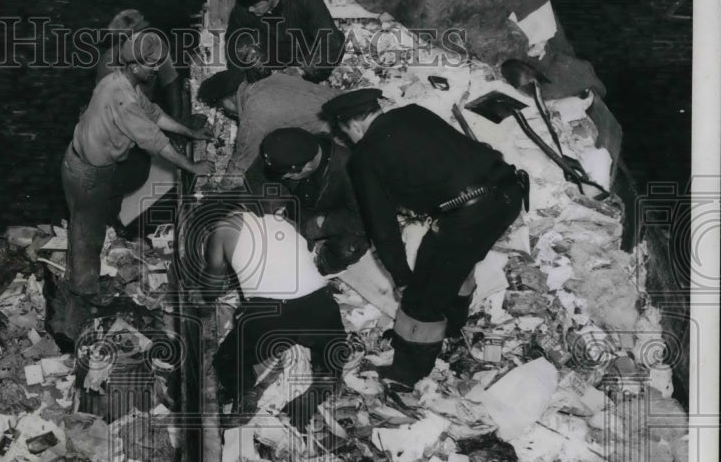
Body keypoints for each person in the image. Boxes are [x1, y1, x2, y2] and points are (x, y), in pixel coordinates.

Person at [322, 88, 529, 388]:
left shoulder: (365, 155)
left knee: (420, 299)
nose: (351, 142)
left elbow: (383, 228)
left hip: (468, 213)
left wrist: (402, 279)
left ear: (353, 126)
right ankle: (454, 325)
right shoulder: (415, 112)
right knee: (454, 261)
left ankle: (408, 373)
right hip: (508, 192)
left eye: (347, 135)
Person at [54, 32, 212, 342]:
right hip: (87, 174)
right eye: (151, 66)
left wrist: (190, 133)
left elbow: (155, 116)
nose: (155, 71)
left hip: (91, 167)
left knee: (89, 229)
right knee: (87, 236)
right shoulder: (122, 97)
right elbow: (155, 141)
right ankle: (79, 308)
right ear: (136, 65)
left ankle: (83, 282)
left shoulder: (121, 82)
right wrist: (193, 166)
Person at [200, 198, 347, 432]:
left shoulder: (221, 230)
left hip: (270, 316)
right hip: (320, 303)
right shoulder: (283, 220)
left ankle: (243, 391)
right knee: (331, 348)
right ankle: (324, 380)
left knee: (227, 360)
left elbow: (210, 290)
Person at [246, 127, 368, 275]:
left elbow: (365, 218)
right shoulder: (281, 149)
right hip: (292, 206)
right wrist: (275, 210)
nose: (284, 178)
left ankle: (318, 269)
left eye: (288, 176)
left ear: (308, 166)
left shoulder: (352, 170)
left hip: (328, 215)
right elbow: (255, 177)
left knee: (350, 248)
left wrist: (322, 224)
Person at [95, 10, 185, 196]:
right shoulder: (109, 64)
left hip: (142, 112)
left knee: (138, 173)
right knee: (124, 175)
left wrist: (177, 123)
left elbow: (171, 83)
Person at [196, 66, 337, 181]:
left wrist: (221, 193)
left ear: (227, 101)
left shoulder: (253, 115)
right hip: (345, 104)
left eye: (222, 107)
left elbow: (241, 165)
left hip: (338, 135)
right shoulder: (270, 79)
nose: (225, 112)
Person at [225, 0, 345, 83]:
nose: (250, 10)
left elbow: (331, 41)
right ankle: (261, 86)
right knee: (243, 44)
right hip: (273, 58)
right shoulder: (244, 9)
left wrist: (301, 71)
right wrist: (237, 82)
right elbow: (232, 46)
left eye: (255, 5)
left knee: (335, 39)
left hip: (306, 58)